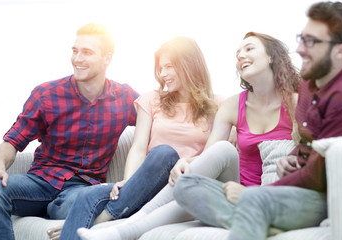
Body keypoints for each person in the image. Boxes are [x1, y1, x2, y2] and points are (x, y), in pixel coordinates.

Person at [77, 31, 300, 240]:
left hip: (268, 196)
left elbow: (308, 155)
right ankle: (125, 226)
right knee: (219, 152)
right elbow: (212, 152)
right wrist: (186, 163)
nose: (241, 55)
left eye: (249, 49)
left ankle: (125, 229)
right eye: (238, 53)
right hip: (233, 188)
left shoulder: (296, 103)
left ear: (272, 56)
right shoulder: (233, 106)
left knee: (192, 184)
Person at [173, 2, 342, 240]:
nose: (299, 49)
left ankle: (257, 214)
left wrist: (251, 194)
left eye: (311, 42)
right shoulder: (309, 88)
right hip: (287, 191)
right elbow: (308, 146)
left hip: (318, 196)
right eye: (301, 38)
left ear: (340, 51)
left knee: (256, 199)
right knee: (186, 186)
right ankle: (266, 222)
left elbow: (319, 175)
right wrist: (291, 159)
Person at [45, 36, 224, 240]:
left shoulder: (218, 106)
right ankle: (105, 218)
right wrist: (128, 182)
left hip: (180, 186)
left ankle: (101, 221)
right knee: (87, 195)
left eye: (169, 67)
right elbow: (138, 148)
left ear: (189, 66)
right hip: (143, 185)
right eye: (160, 68)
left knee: (164, 153)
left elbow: (213, 155)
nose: (163, 74)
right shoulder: (152, 99)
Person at [0, 23, 139, 240]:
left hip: (81, 190)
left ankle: (55, 210)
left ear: (107, 58)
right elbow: (13, 140)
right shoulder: (46, 94)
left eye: (87, 52)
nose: (77, 59)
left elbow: (160, 120)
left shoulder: (125, 98)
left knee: (83, 202)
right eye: (75, 51)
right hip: (40, 182)